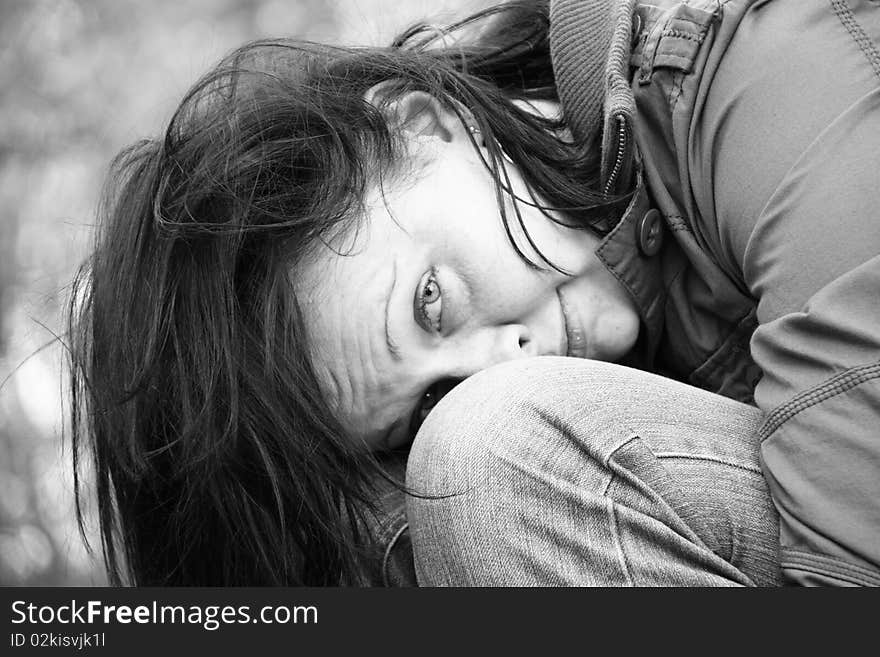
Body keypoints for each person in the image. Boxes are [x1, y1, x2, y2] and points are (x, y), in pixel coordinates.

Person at [69, 0, 880, 586]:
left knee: (488, 462)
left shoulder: (759, 68)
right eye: (429, 398)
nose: (501, 362)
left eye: (431, 302)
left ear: (422, 125)